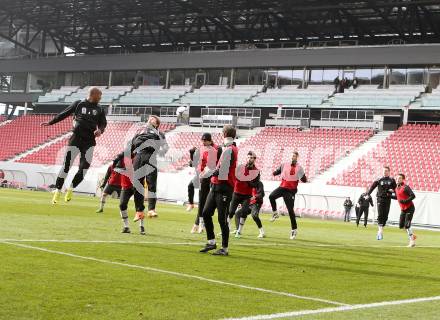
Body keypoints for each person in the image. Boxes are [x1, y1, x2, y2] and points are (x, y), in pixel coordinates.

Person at [41, 87, 107, 204]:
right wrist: (51, 122)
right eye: (99, 96)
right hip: (75, 139)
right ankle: (57, 191)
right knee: (66, 166)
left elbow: (103, 123)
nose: (100, 98)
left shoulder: (100, 109)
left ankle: (71, 188)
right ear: (93, 95)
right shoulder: (79, 104)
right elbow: (64, 113)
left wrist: (100, 130)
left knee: (84, 167)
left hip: (89, 141)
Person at [199, 125, 238, 256]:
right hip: (215, 186)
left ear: (225, 133)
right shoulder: (227, 148)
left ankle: (224, 248)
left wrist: (209, 173)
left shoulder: (231, 149)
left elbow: (223, 169)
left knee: (222, 219)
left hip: (225, 187)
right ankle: (211, 241)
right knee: (205, 213)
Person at [130, 115, 169, 222]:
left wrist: (162, 151)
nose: (150, 119)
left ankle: (151, 209)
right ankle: (139, 211)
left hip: (151, 156)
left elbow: (165, 146)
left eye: (153, 119)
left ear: (156, 124)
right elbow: (132, 144)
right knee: (137, 184)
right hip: (139, 156)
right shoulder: (140, 130)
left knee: (151, 183)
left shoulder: (159, 133)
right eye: (150, 118)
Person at [269, 152, 307, 239]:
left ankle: (294, 230)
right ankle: (275, 213)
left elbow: (304, 180)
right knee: (271, 196)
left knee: (290, 211)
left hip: (290, 191)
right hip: (282, 187)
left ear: (297, 157)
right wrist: (274, 172)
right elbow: (277, 171)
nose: (292, 157)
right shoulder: (284, 165)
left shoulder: (299, 168)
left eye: (294, 156)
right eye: (291, 156)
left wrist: (302, 176)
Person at [190, 134, 221, 234]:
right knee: (202, 201)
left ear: (209, 141)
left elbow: (214, 165)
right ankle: (199, 224)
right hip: (203, 177)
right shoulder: (202, 149)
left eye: (205, 141)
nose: (203, 143)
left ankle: (199, 224)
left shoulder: (217, 149)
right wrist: (192, 153)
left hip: (212, 177)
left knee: (207, 203)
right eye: (202, 141)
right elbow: (194, 163)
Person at [228, 151, 260, 238]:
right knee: (231, 212)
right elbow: (235, 177)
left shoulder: (256, 171)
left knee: (244, 212)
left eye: (252, 158)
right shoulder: (240, 167)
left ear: (254, 159)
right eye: (249, 157)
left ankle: (239, 231)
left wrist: (248, 181)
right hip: (237, 192)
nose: (250, 159)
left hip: (247, 195)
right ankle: (227, 228)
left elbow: (256, 184)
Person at [114, 152, 146, 235]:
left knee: (139, 207)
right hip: (126, 185)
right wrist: (127, 171)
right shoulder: (122, 158)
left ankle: (141, 226)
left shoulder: (140, 157)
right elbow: (116, 168)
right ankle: (126, 227)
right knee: (122, 205)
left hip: (138, 185)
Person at [367, 166, 397, 240]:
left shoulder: (392, 180)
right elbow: (372, 187)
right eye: (384, 171)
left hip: (388, 199)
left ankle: (381, 230)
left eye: (386, 171)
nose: (385, 172)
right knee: (380, 214)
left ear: (389, 172)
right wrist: (368, 194)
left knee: (385, 215)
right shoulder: (379, 179)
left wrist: (392, 190)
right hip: (380, 198)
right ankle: (380, 232)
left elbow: (396, 189)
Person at [392, 173, 417, 247]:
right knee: (401, 226)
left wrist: (405, 201)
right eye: (397, 178)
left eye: (399, 178)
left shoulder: (405, 187)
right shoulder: (396, 188)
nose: (397, 179)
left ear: (403, 179)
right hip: (403, 210)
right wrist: (389, 196)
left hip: (410, 208)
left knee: (407, 226)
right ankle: (413, 235)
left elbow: (413, 196)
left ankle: (412, 242)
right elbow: (398, 197)